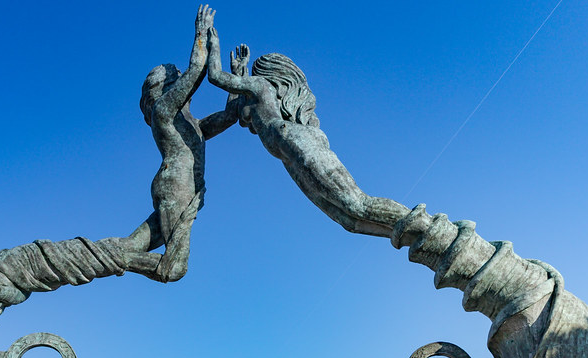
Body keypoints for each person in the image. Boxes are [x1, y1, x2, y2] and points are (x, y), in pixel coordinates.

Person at [205, 22, 410, 240]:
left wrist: (211, 44)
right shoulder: (251, 95)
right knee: (349, 221)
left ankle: (429, 227)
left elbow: (215, 76)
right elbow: (231, 113)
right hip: (286, 154)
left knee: (356, 203)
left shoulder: (261, 85)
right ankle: (414, 238)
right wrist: (239, 71)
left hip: (290, 137)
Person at [124, 5, 243, 283]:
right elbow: (198, 70)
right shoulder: (163, 111)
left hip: (179, 190)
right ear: (163, 87)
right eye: (176, 77)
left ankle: (87, 256)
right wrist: (201, 34)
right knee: (174, 268)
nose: (182, 79)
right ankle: (118, 260)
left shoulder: (193, 126)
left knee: (131, 246)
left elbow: (229, 116)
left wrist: (237, 76)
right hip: (175, 187)